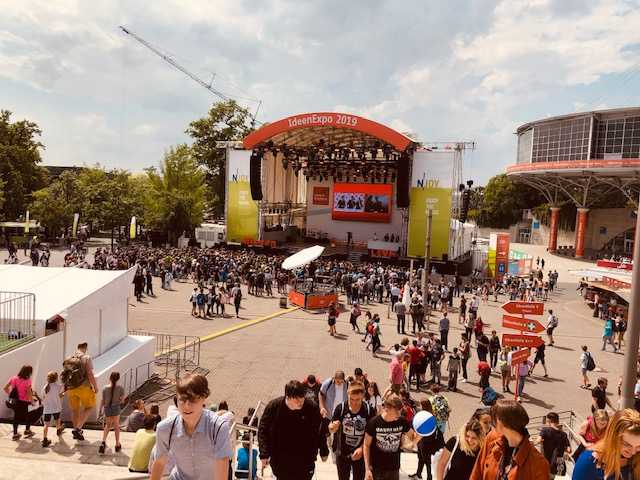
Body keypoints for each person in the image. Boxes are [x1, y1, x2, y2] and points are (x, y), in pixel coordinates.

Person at [151, 373, 232, 480]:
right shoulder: (165, 428)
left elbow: (222, 465)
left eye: (193, 399)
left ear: (204, 398)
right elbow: (160, 463)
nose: (187, 406)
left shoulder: (218, 428)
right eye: (182, 399)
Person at [258, 380, 329, 479]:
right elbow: (263, 429)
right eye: (296, 399)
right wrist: (264, 453)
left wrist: (324, 450)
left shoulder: (311, 407)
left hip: (305, 458)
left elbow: (319, 430)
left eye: (302, 397)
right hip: (281, 458)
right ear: (287, 397)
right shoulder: (274, 407)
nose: (301, 401)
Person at [470, 400, 550, 479]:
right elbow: (477, 473)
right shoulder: (492, 437)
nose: (492, 424)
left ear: (504, 424)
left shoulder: (538, 464)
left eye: (495, 419)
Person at [363, 393, 419, 479]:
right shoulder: (374, 422)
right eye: (396, 412)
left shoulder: (402, 421)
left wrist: (422, 433)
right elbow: (366, 445)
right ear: (386, 410)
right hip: (377, 468)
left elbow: (413, 438)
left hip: (394, 468)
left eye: (400, 411)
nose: (399, 414)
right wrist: (367, 469)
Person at [573, 409, 640, 480]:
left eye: (638, 446)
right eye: (626, 444)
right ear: (613, 437)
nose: (633, 451)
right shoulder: (588, 461)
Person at [329, 381, 375, 480]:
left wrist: (362, 449)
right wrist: (333, 427)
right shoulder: (341, 408)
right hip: (343, 453)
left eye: (357, 399)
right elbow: (331, 426)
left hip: (360, 454)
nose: (354, 402)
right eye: (351, 399)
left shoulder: (368, 410)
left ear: (363, 395)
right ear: (347, 394)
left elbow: (371, 435)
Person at [65, 342, 98, 441]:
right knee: (89, 406)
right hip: (83, 387)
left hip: (71, 388)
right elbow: (90, 374)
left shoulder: (69, 358)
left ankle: (77, 432)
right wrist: (95, 386)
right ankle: (78, 428)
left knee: (75, 409)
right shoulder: (87, 358)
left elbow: (65, 375)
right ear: (85, 348)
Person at [410, 399, 445, 480]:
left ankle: (429, 477)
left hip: (426, 442)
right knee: (421, 458)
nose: (419, 407)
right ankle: (419, 473)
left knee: (426, 460)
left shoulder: (426, 417)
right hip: (424, 441)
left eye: (421, 405)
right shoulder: (430, 415)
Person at [4, 364, 35, 441]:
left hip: (16, 401)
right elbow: (29, 392)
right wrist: (32, 401)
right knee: (30, 415)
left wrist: (11, 395)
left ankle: (15, 434)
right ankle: (27, 430)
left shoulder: (14, 378)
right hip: (25, 401)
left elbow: (5, 388)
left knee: (16, 417)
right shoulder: (28, 381)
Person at [537, 412, 571, 478]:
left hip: (545, 462)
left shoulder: (545, 430)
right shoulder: (563, 434)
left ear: (548, 421)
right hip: (555, 465)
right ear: (558, 422)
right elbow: (569, 450)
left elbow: (538, 441)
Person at [98, 370, 125, 454]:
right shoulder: (120, 388)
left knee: (108, 425)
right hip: (116, 408)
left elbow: (103, 400)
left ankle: (103, 441)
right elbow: (122, 401)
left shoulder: (105, 388)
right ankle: (117, 444)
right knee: (116, 426)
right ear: (118, 379)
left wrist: (100, 410)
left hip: (107, 408)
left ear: (110, 378)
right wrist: (119, 399)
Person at [40, 370, 66, 447]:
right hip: (55, 407)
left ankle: (45, 438)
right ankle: (58, 429)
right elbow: (60, 395)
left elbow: (44, 396)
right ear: (56, 378)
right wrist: (64, 393)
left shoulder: (45, 387)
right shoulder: (58, 386)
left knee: (46, 424)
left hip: (47, 408)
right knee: (57, 420)